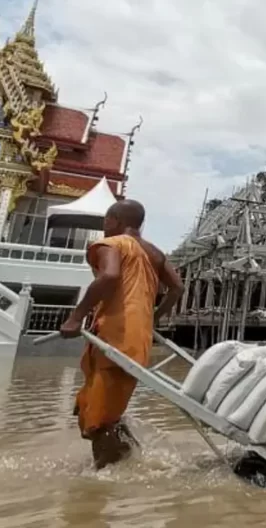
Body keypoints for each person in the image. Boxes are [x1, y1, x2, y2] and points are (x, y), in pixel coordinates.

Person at [59, 199, 184, 469]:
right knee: (94, 406)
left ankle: (103, 482)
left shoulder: (112, 244)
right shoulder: (155, 253)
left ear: (114, 221)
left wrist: (76, 315)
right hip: (137, 340)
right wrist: (150, 319)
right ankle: (128, 460)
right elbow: (177, 289)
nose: (104, 226)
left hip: (114, 337)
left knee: (99, 420)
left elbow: (109, 276)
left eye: (106, 221)